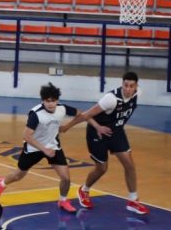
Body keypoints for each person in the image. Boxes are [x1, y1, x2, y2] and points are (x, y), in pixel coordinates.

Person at [59, 71, 149, 216]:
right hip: (97, 133)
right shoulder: (111, 99)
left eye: (131, 86)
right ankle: (84, 189)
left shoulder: (138, 94)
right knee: (102, 168)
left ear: (136, 86)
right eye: (125, 85)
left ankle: (133, 200)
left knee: (129, 165)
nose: (128, 89)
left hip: (116, 132)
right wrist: (66, 127)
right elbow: (86, 115)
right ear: (122, 84)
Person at [0, 83, 80, 213]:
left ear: (57, 100)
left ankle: (63, 200)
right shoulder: (36, 114)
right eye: (47, 101)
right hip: (34, 148)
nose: (50, 104)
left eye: (53, 101)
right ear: (42, 101)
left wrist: (67, 126)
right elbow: (27, 136)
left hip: (53, 146)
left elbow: (81, 114)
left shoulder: (62, 109)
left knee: (66, 178)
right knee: (18, 175)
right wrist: (44, 150)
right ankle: (2, 183)